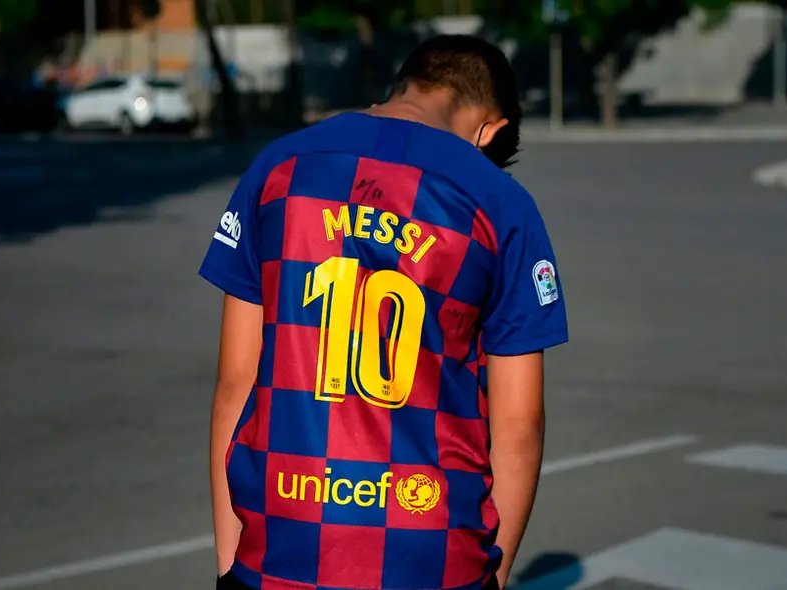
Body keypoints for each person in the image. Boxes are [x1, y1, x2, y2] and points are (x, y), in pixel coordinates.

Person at [199, 34, 568, 590]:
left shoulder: (279, 167)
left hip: (280, 542)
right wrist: (493, 576)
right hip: (431, 550)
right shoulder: (500, 202)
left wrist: (233, 562)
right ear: (488, 129)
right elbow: (519, 423)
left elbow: (237, 383)